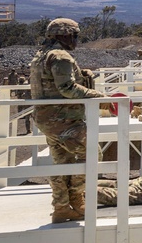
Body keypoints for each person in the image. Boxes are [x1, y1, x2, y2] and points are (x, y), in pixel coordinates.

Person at [29, 18, 106, 223]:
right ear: (64, 35)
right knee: (91, 153)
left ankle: (61, 207)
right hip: (63, 119)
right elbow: (67, 88)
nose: (76, 40)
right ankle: (76, 198)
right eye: (75, 35)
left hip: (47, 119)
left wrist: (84, 76)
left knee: (61, 162)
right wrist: (100, 98)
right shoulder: (60, 56)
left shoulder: (41, 56)